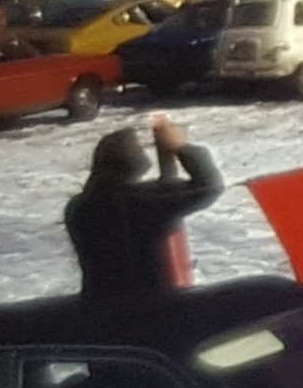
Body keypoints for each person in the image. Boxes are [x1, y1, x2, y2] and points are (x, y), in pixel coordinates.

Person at [64, 115, 223, 305]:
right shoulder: (141, 204)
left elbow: (157, 195)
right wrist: (180, 147)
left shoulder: (79, 206)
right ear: (127, 162)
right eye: (139, 148)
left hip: (101, 305)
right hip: (151, 308)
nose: (143, 151)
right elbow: (209, 187)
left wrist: (167, 164)